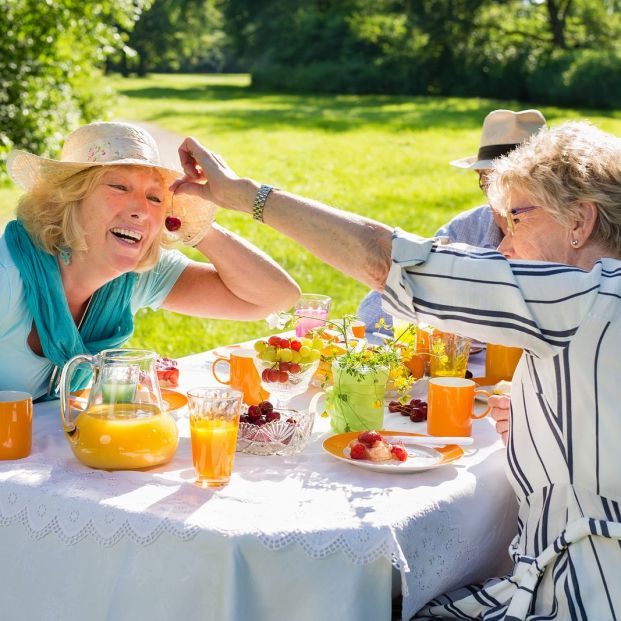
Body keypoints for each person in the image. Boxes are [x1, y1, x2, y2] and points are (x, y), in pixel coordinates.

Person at [173, 120, 621, 619]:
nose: (503, 246)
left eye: (517, 219)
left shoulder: (577, 297)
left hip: (580, 595)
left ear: (579, 221)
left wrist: (248, 197)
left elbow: (385, 259)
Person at [0, 121, 300, 400]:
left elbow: (276, 298)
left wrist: (196, 228)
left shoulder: (137, 276)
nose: (141, 211)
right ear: (69, 199)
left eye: (155, 199)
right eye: (119, 187)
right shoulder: (7, 276)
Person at [357, 108, 546, 334]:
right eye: (492, 184)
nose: (505, 200)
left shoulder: (573, 235)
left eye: (521, 184)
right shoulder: (466, 230)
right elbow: (370, 316)